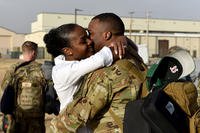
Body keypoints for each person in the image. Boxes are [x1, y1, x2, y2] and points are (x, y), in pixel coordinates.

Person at [50, 13, 147, 133]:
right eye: (84, 39)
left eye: (90, 34)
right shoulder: (134, 59)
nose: (89, 40)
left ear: (106, 35)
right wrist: (123, 40)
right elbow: (98, 59)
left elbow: (74, 118)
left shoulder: (106, 74)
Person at [43, 23, 126, 113]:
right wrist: (121, 40)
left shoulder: (75, 61)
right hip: (73, 123)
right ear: (68, 51)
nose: (90, 41)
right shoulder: (63, 71)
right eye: (83, 41)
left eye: (88, 37)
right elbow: (101, 58)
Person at [0, 41, 46, 133]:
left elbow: (5, 88)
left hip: (17, 118)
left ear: (23, 52)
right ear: (34, 53)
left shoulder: (13, 69)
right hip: (36, 119)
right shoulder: (42, 69)